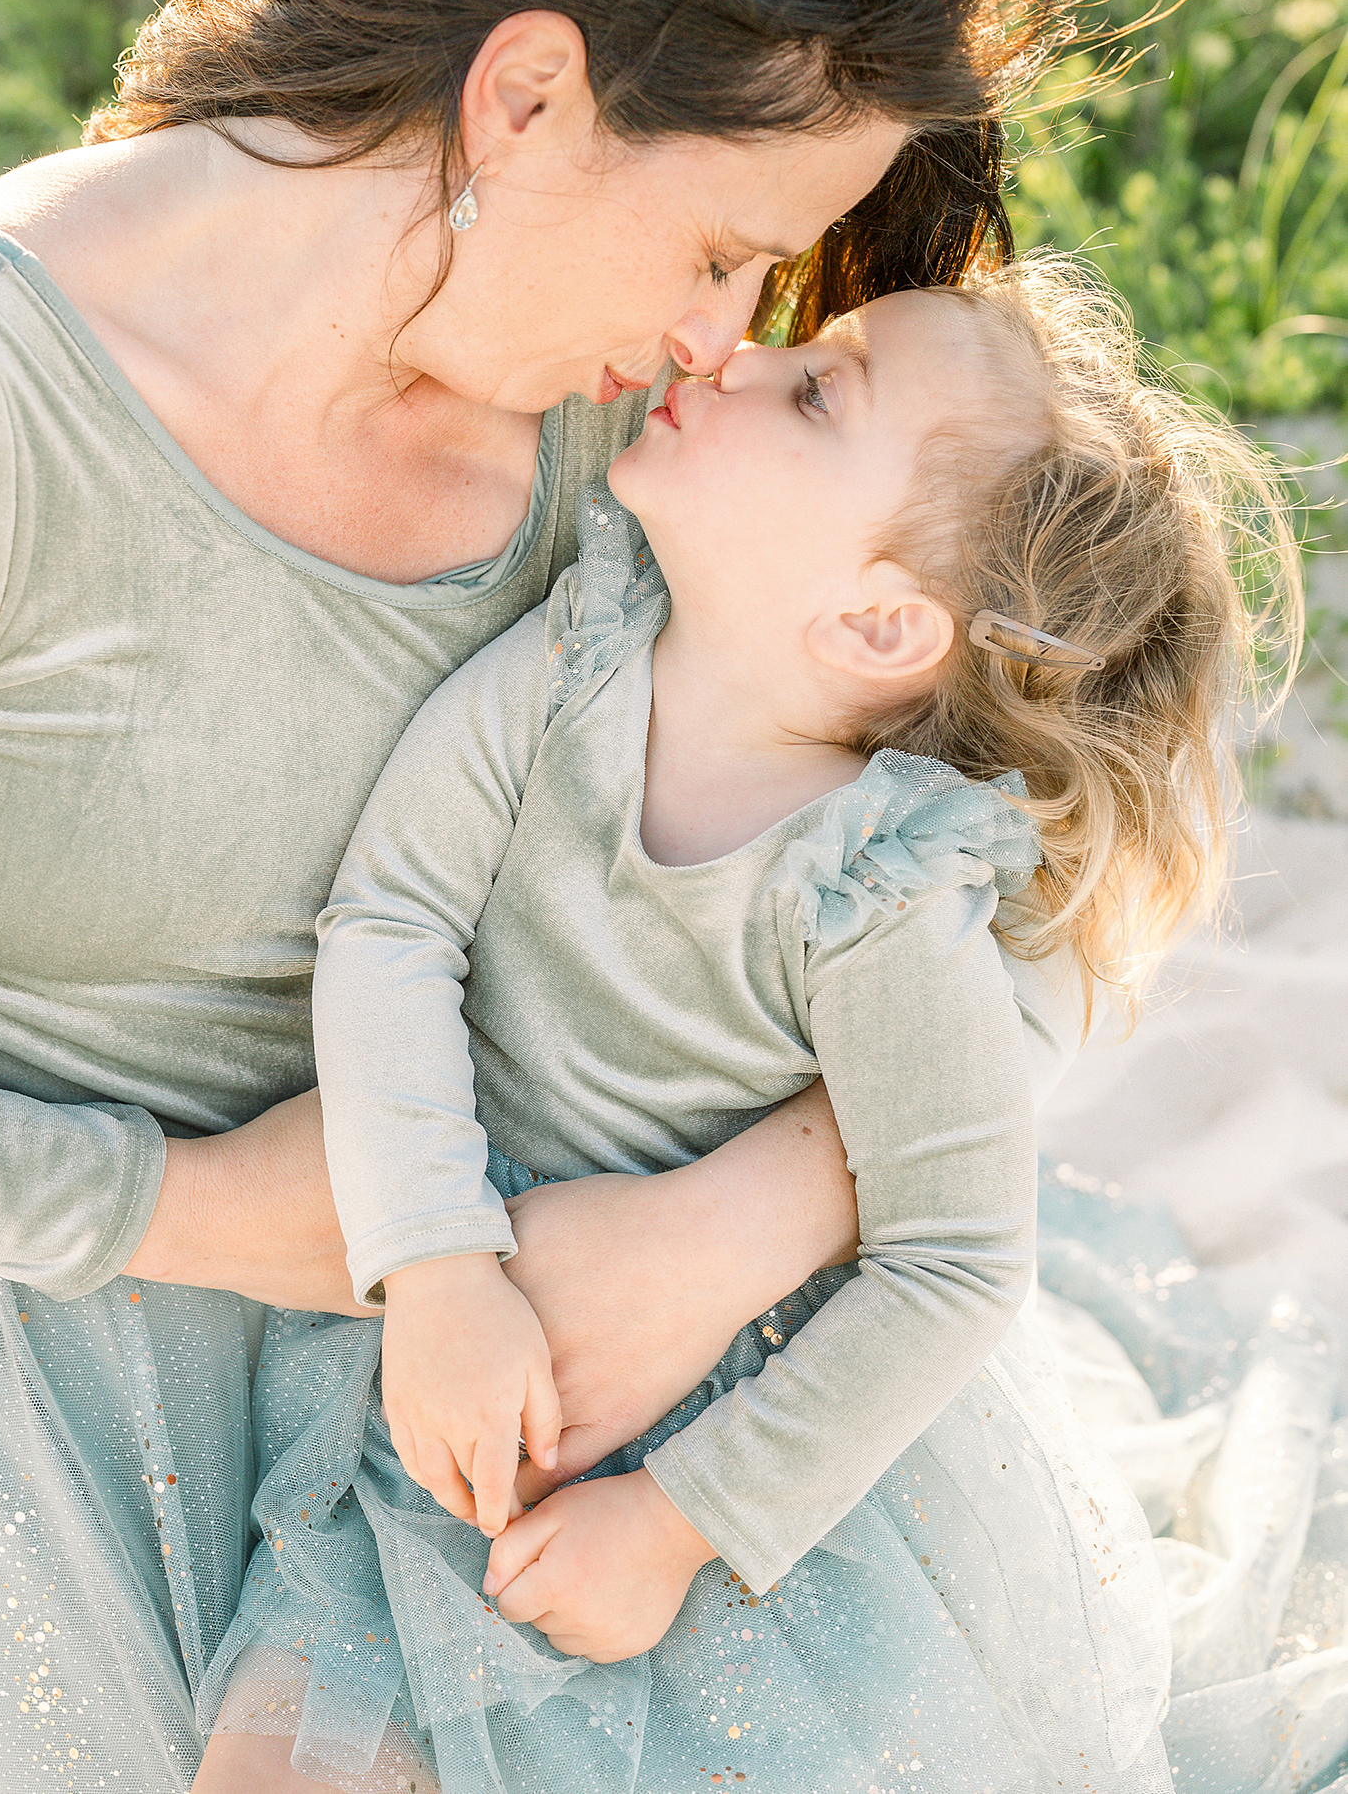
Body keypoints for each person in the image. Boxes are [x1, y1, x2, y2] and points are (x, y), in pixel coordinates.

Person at [0, 0, 1090, 1791]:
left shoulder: (631, 438)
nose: (727, 339)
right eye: (728, 250)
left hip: (563, 1398)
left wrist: (741, 1224)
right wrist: (200, 1215)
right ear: (527, 97)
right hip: (58, 1410)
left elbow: (1008, 873)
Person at [199, 260, 1302, 1794]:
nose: (742, 355)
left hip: (731, 1444)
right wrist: (437, 1261)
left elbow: (957, 1262)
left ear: (872, 622)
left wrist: (679, 1523)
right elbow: (392, 922)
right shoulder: (583, 658)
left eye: (815, 390)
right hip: (458, 1349)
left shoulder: (875, 884)